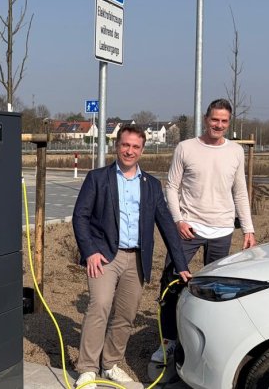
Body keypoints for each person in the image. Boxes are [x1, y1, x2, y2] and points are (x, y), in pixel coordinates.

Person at [72, 125, 192, 388]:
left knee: (126, 314)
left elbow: (167, 226)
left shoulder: (151, 185)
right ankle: (88, 368)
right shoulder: (98, 178)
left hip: (136, 258)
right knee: (100, 306)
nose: (130, 151)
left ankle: (111, 364)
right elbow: (80, 217)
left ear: (142, 150)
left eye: (135, 147)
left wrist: (181, 265)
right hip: (104, 256)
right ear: (117, 146)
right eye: (125, 145)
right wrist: (90, 251)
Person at [151, 98, 256, 363]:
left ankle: (210, 344)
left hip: (221, 230)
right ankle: (168, 342)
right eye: (214, 120)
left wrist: (248, 229)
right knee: (172, 284)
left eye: (224, 121)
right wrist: (178, 221)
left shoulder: (235, 152)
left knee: (217, 291)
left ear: (228, 123)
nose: (218, 125)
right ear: (206, 118)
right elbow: (171, 187)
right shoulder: (186, 148)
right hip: (189, 228)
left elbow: (240, 191)